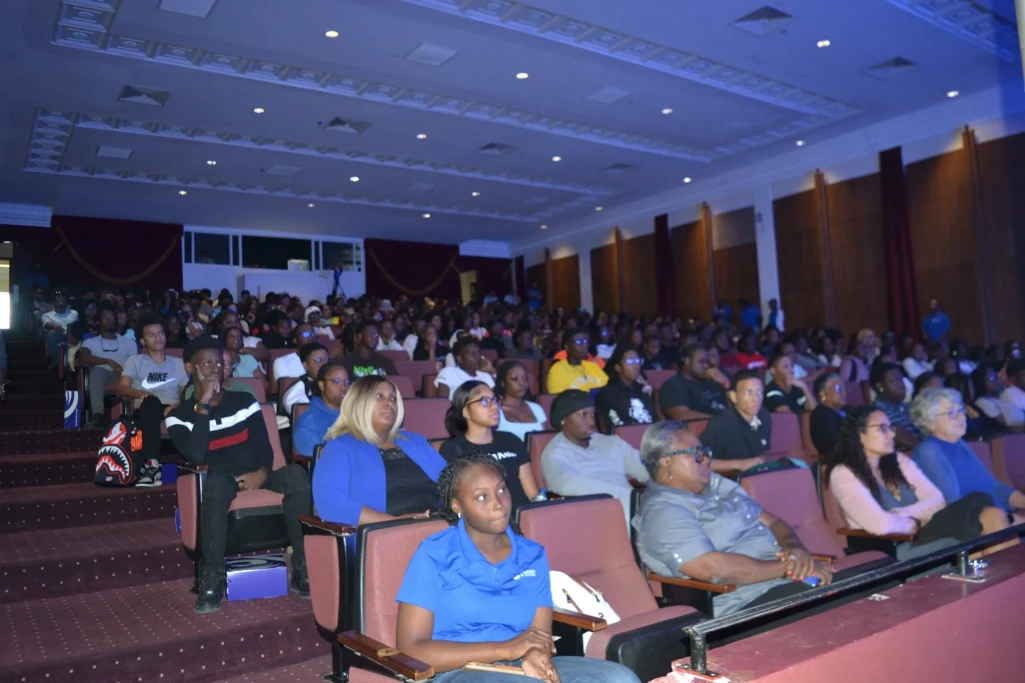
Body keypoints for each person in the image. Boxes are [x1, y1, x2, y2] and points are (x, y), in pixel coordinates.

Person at [395, 453, 642, 683]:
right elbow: (411, 650)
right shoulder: (434, 554)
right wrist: (505, 649)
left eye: (501, 489)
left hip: (518, 664)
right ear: (457, 506)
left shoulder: (532, 554)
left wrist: (535, 653)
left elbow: (538, 634)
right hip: (457, 671)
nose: (498, 504)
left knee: (620, 677)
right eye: (482, 497)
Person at [165, 336, 311, 613]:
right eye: (207, 363)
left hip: (258, 473)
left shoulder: (244, 401)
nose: (216, 368)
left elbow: (264, 448)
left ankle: (303, 569)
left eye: (219, 363)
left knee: (295, 475)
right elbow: (196, 455)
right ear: (189, 368)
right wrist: (204, 406)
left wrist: (261, 473)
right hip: (221, 480)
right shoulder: (178, 415)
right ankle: (211, 577)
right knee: (217, 484)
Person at [633, 421, 838, 617]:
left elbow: (773, 522)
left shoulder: (715, 484)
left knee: (850, 589)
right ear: (665, 461)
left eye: (705, 453)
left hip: (784, 584)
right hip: (744, 603)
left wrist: (794, 548)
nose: (706, 460)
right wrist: (790, 568)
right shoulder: (661, 512)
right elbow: (715, 570)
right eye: (696, 454)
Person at [825, 406, 1007, 560]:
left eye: (891, 428)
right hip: (895, 549)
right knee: (978, 533)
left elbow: (938, 500)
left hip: (930, 532)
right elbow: (880, 524)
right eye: (883, 428)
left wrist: (902, 514)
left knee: (991, 514)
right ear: (859, 434)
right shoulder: (843, 474)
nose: (892, 434)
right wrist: (916, 524)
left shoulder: (898, 460)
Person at [313, 377, 445, 525]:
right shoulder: (340, 447)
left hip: (439, 526)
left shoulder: (415, 441)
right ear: (359, 402)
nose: (389, 403)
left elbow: (452, 483)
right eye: (379, 396)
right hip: (385, 533)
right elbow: (331, 505)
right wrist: (397, 522)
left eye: (393, 398)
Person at [540, 390, 649, 526]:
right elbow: (565, 483)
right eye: (583, 415)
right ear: (563, 419)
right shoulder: (555, 453)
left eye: (592, 414)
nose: (591, 420)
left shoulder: (611, 443)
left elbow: (645, 469)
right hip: (594, 516)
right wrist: (624, 494)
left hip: (634, 507)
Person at [911, 388, 1025, 514]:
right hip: (974, 522)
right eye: (952, 413)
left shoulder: (960, 444)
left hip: (995, 516)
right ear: (929, 423)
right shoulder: (928, 452)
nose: (961, 417)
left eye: (961, 410)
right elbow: (953, 504)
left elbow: (996, 489)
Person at [440, 382, 540, 510]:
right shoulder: (453, 449)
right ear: (465, 411)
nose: (494, 406)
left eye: (495, 400)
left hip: (523, 514)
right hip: (487, 518)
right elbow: (454, 500)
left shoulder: (511, 440)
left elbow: (532, 493)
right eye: (484, 401)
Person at [118, 314, 190, 486]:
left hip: (172, 408)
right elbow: (121, 388)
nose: (158, 338)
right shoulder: (135, 361)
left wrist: (178, 405)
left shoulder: (179, 363)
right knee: (151, 402)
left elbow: (186, 393)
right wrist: (139, 393)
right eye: (151, 335)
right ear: (143, 341)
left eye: (161, 333)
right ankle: (152, 466)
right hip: (146, 408)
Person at [698, 369, 771, 474]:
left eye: (759, 392)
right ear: (733, 397)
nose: (756, 399)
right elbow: (699, 460)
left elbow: (762, 452)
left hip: (754, 476)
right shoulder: (721, 423)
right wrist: (740, 464)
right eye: (748, 393)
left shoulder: (765, 416)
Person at [79, 303, 135, 426]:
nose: (110, 320)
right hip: (102, 376)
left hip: (124, 374)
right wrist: (109, 361)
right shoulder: (90, 342)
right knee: (97, 372)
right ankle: (98, 415)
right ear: (99, 322)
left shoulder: (129, 342)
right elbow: (84, 357)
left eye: (112, 317)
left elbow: (135, 363)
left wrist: (124, 372)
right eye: (106, 318)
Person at [294, 362, 350, 457]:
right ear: (322, 385)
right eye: (337, 381)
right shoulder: (310, 420)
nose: (344, 387)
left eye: (347, 382)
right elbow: (314, 459)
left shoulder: (356, 415)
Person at [658, 345, 728, 420]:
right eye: (701, 362)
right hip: (706, 425)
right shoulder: (674, 385)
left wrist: (725, 384)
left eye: (707, 362)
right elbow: (681, 415)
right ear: (687, 361)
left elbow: (734, 406)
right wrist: (719, 420)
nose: (706, 366)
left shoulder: (713, 382)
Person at [595, 344, 654, 430]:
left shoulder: (642, 390)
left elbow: (655, 419)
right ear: (618, 368)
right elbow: (617, 426)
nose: (636, 366)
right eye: (630, 362)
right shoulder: (609, 393)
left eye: (638, 361)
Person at [870, 362, 920, 451]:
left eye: (901, 379)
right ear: (880, 386)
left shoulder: (907, 406)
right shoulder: (877, 412)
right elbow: (896, 434)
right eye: (894, 381)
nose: (901, 385)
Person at [494, 361, 547, 442]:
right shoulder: (495, 410)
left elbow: (547, 439)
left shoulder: (536, 408)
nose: (522, 383)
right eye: (515, 379)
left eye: (525, 378)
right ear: (503, 383)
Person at [281, 342, 330, 416]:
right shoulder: (299, 389)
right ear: (305, 365)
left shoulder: (337, 383)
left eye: (326, 360)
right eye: (318, 360)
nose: (324, 364)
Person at [971, 364, 1024, 429]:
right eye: (993, 378)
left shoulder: (999, 399)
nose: (998, 379)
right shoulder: (982, 401)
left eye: (997, 376)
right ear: (981, 381)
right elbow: (1004, 427)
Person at [809, 372, 847, 457]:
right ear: (823, 393)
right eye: (839, 389)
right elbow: (832, 447)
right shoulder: (821, 416)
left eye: (845, 389)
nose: (844, 393)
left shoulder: (847, 410)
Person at [41, 290, 79, 367]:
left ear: (66, 302)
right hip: (58, 335)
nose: (60, 301)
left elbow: (77, 326)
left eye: (63, 299)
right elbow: (47, 324)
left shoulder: (74, 313)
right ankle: (55, 363)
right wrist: (54, 327)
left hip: (72, 336)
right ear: (53, 303)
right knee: (51, 333)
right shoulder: (47, 315)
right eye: (58, 299)